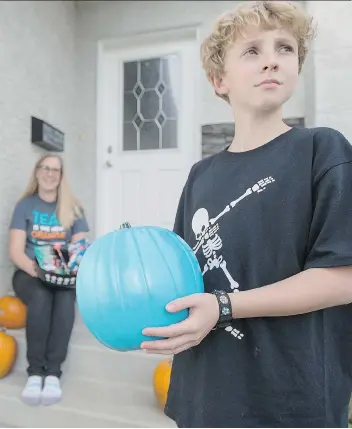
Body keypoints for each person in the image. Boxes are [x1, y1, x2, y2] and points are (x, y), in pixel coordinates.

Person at [140, 1, 352, 427]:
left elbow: (343, 277)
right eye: (252, 51)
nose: (272, 60)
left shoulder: (322, 151)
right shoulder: (201, 176)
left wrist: (225, 305)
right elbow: (183, 277)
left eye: (285, 49)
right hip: (206, 394)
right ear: (219, 80)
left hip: (290, 396)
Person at [9, 154, 89, 406]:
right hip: (29, 273)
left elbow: (79, 251)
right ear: (36, 172)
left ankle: (53, 372)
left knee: (65, 299)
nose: (49, 173)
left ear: (61, 176)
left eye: (55, 170)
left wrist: (60, 273)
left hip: (63, 277)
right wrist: (39, 271)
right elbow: (15, 251)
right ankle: (35, 372)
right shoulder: (25, 206)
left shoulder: (74, 208)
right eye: (45, 168)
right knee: (41, 297)